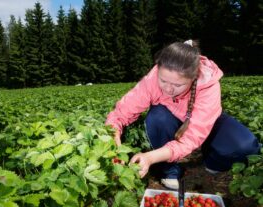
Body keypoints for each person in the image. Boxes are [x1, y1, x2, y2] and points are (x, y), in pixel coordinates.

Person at [105, 40, 261, 190]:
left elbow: (192, 137)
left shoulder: (208, 85)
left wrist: (150, 157)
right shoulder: (153, 79)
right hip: (170, 117)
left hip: (204, 121)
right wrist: (114, 147)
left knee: (245, 146)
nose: (169, 89)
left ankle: (212, 160)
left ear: (193, 78)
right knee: (157, 117)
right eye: (163, 81)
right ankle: (169, 170)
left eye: (177, 85)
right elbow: (120, 114)